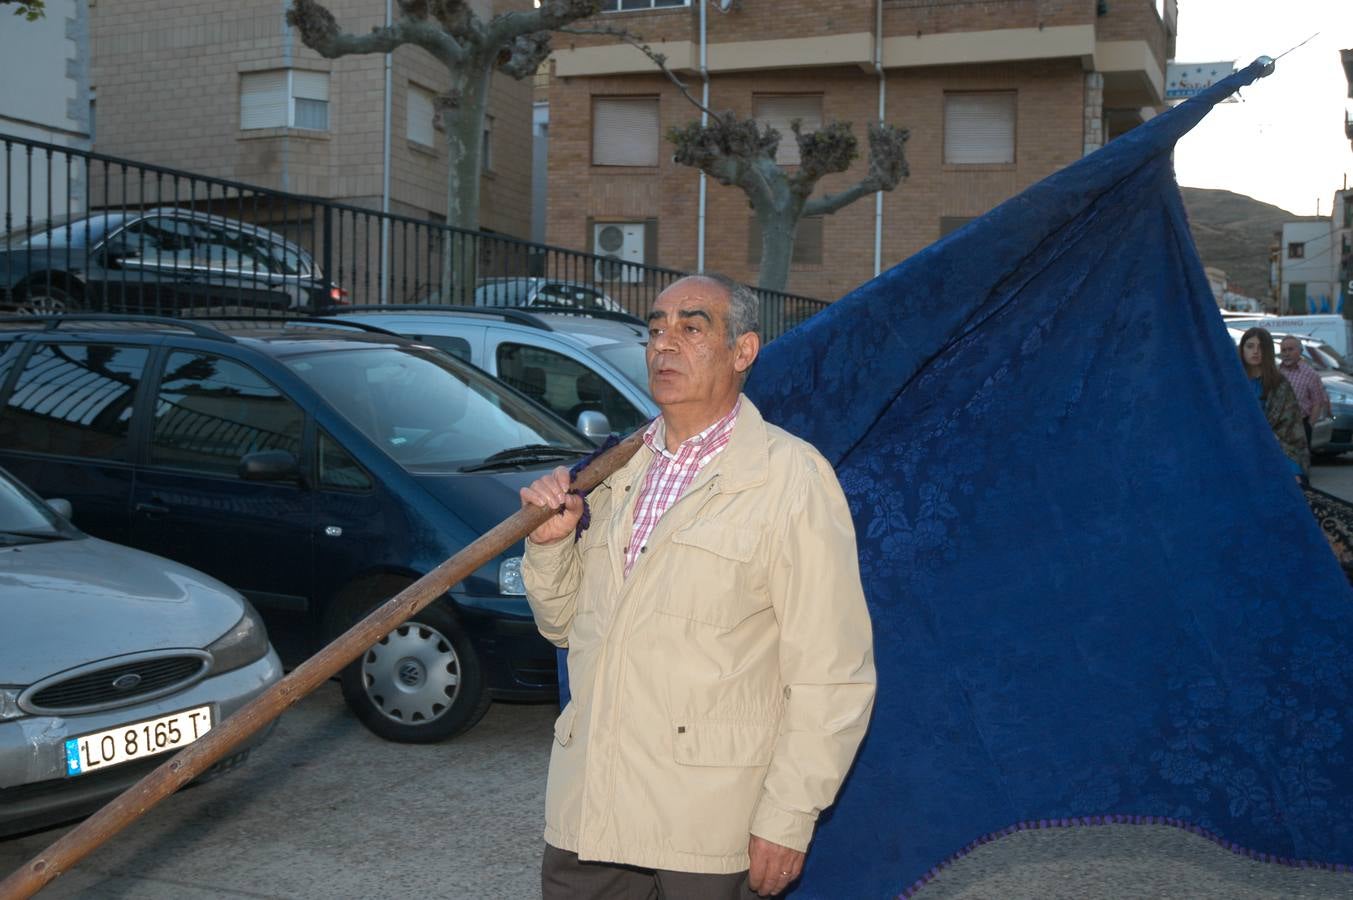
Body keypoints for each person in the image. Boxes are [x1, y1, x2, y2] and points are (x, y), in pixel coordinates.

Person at [519, 274, 876, 899]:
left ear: (744, 351)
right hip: (590, 810)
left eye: (691, 326)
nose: (664, 344)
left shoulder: (790, 480)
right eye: (655, 329)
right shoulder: (614, 471)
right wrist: (549, 551)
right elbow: (566, 629)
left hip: (707, 825)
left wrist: (788, 817)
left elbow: (832, 672)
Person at [1239, 326, 1308, 481]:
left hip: (1273, 455)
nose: (1255, 351)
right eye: (1250, 346)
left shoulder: (1279, 384)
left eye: (1261, 347)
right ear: (1242, 349)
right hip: (1238, 455)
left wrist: (1294, 470)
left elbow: (1291, 431)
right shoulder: (1232, 383)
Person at [1277, 334, 1331, 448]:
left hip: (1301, 425)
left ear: (1300, 351)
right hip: (1279, 425)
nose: (1286, 354)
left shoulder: (1310, 374)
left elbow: (1318, 402)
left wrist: (1309, 426)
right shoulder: (1278, 372)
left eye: (1290, 349)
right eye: (1283, 350)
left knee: (1299, 463)